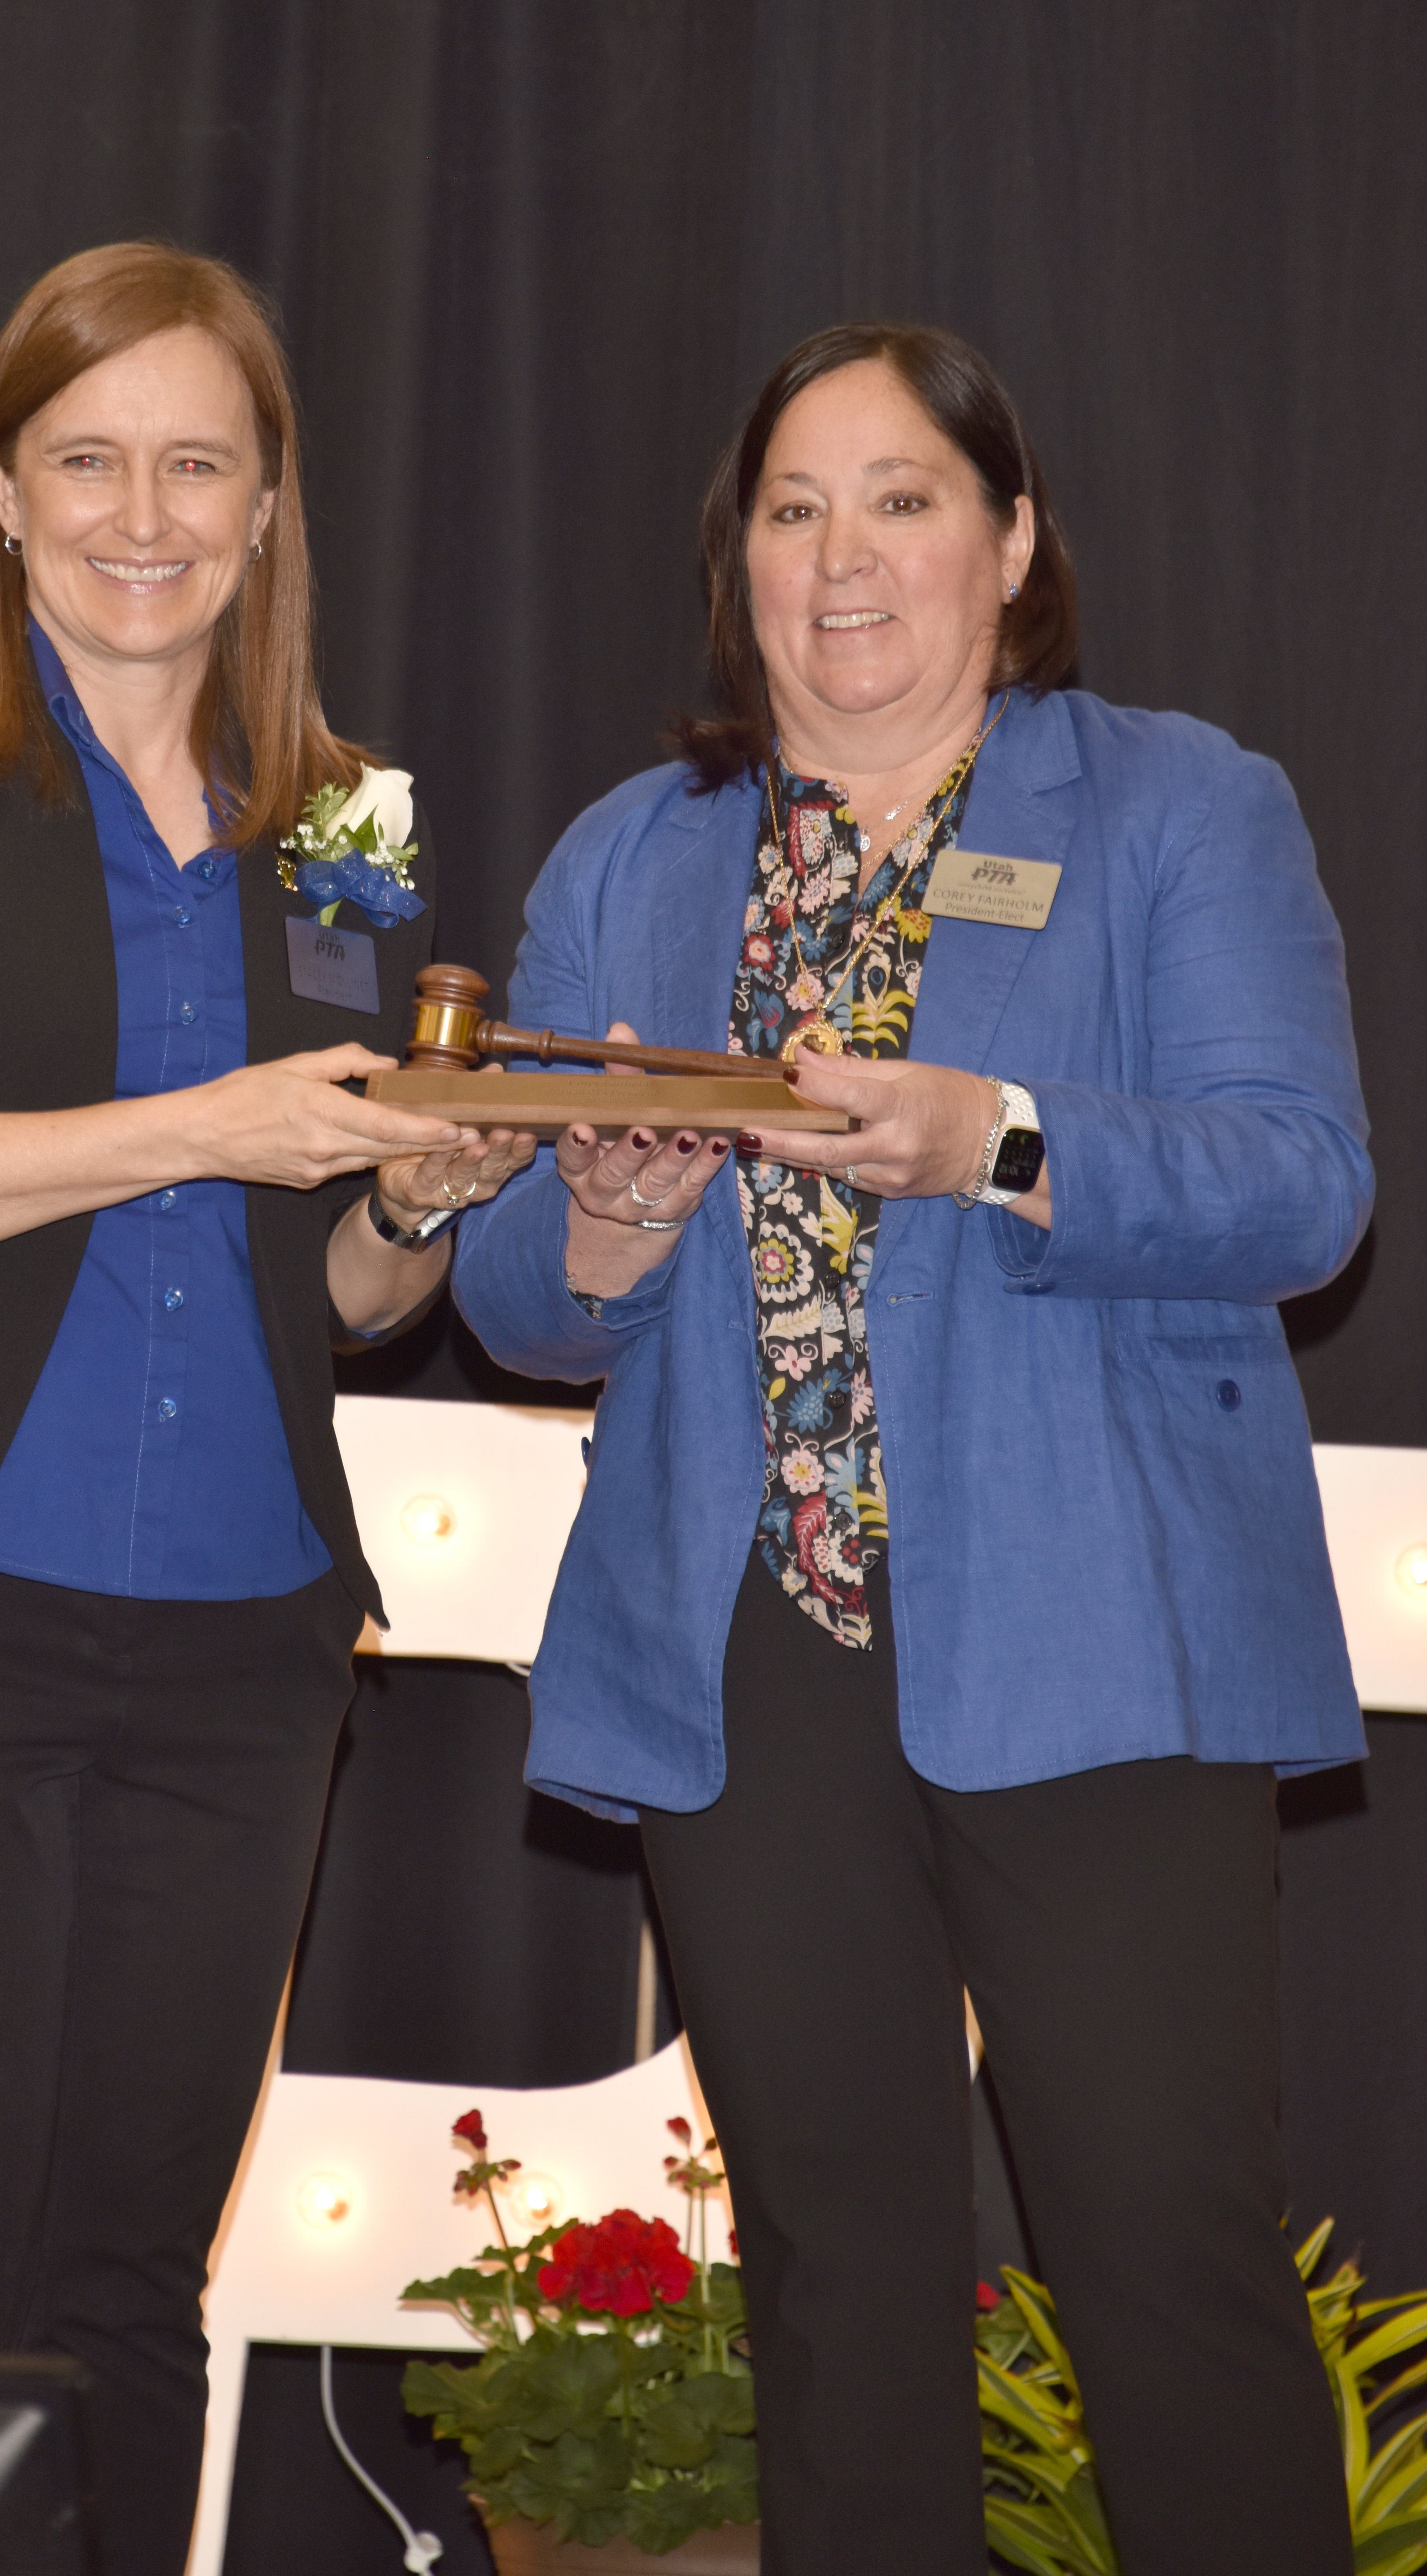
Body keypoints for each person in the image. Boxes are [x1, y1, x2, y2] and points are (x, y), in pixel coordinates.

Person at [452, 323, 1369, 2576]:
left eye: (901, 498)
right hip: (751, 1656)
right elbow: (506, 1301)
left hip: (1102, 1632)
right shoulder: (635, 860)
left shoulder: (1177, 805)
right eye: (791, 508)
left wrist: (1003, 1135)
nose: (841, 557)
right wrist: (601, 1223)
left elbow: (1301, 1183)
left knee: (1167, 2266)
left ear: (1012, 539)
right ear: (737, 562)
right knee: (844, 2293)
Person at [0, 242, 532, 2576]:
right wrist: (206, 1121)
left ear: (266, 512)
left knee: (139, 2290)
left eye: (197, 463)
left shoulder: (351, 819)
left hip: (242, 1645)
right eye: (87, 458)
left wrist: (422, 1200)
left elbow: (335, 1282)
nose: (140, 512)